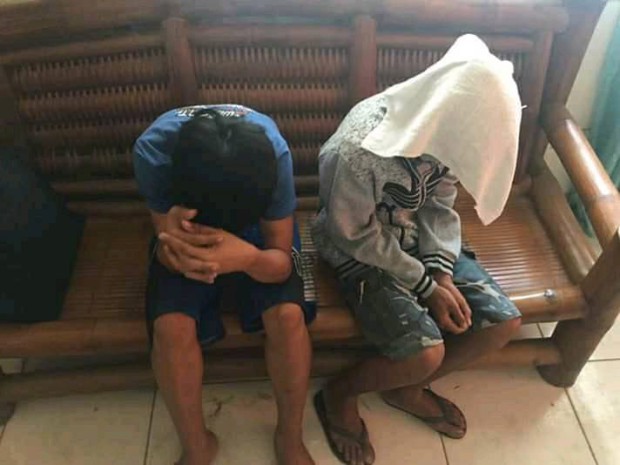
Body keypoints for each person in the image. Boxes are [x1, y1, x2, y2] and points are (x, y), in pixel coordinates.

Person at [311, 35, 523, 465]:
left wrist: (442, 272)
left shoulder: (449, 132)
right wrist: (425, 285)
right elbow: (352, 233)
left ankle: (404, 387)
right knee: (425, 352)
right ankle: (339, 393)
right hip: (359, 248)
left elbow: (440, 203)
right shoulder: (355, 152)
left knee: (503, 323)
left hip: (416, 240)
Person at [133, 104, 316, 465]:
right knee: (170, 327)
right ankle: (197, 447)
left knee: (288, 317)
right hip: (188, 224)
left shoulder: (271, 155)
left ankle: (290, 436)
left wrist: (248, 258)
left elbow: (279, 262)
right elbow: (165, 241)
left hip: (257, 230)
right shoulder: (154, 151)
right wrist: (182, 252)